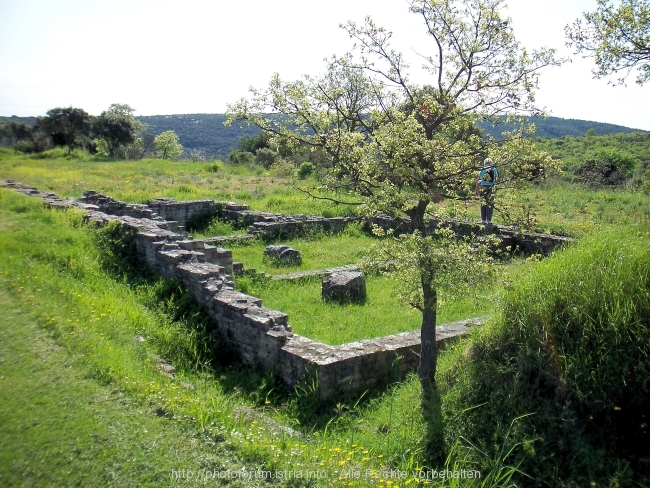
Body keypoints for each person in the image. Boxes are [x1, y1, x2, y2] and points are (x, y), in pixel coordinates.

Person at [476, 158, 498, 224]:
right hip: (491, 188)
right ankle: (489, 220)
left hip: (483, 188)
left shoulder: (482, 169)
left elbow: (479, 177)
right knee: (490, 204)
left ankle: (483, 220)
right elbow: (496, 177)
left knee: (483, 204)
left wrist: (477, 188)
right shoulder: (494, 169)